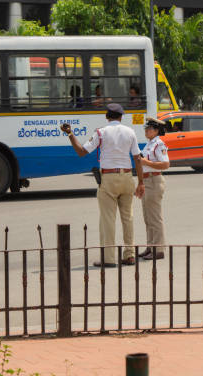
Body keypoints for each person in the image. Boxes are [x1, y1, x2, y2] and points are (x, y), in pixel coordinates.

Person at [61, 103, 145, 267]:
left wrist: (70, 133)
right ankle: (130, 255)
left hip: (108, 178)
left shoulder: (101, 132)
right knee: (128, 218)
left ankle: (109, 258)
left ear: (107, 117)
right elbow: (138, 158)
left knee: (108, 219)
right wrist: (141, 182)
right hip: (127, 177)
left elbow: (81, 151)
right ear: (121, 117)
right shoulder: (130, 132)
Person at [137, 118, 170, 260]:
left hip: (154, 180)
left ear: (156, 131)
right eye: (146, 129)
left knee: (155, 217)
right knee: (147, 217)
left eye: (149, 129)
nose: (146, 131)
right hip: (146, 180)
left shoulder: (159, 144)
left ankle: (159, 249)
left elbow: (165, 164)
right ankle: (150, 247)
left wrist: (146, 162)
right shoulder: (149, 144)